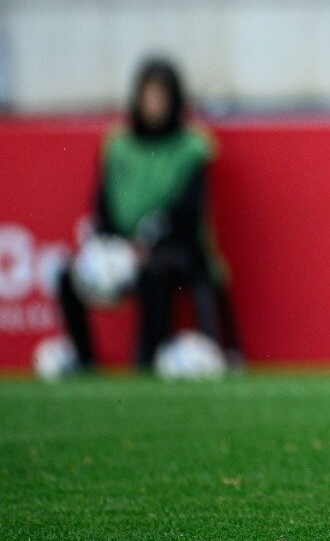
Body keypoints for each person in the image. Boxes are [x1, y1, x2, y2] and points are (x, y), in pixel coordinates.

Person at [53, 57, 239, 373]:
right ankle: (85, 361)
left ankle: (147, 359)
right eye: (148, 97)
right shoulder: (118, 145)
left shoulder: (192, 146)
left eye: (161, 98)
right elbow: (103, 205)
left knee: (156, 270)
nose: (154, 105)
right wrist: (110, 242)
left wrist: (145, 241)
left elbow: (188, 211)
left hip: (175, 248)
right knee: (67, 274)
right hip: (121, 248)